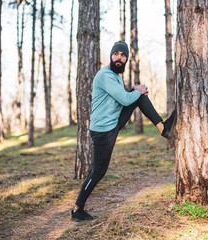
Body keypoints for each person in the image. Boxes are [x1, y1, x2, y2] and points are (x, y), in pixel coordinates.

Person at [71, 41, 177, 222]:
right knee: (98, 171)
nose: (119, 58)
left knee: (138, 97)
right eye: (116, 54)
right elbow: (124, 99)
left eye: (123, 55)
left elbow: (124, 100)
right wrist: (137, 90)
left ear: (126, 58)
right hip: (103, 130)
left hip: (112, 122)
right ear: (111, 56)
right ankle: (77, 209)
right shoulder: (106, 75)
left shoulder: (115, 77)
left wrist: (136, 91)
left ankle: (164, 128)